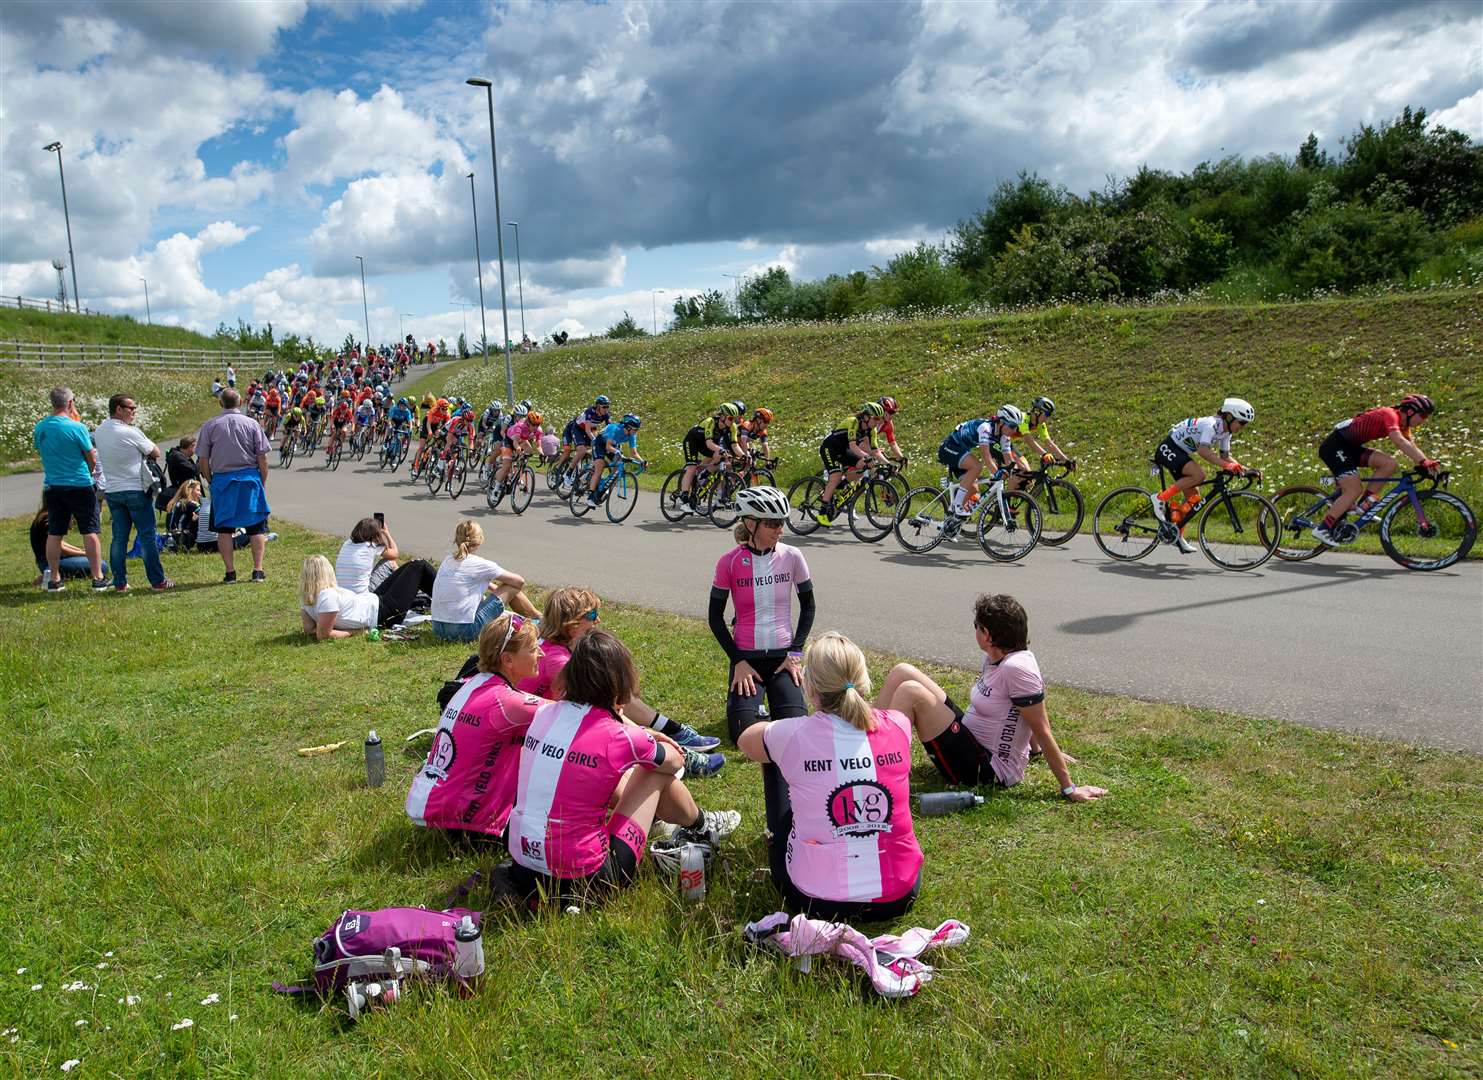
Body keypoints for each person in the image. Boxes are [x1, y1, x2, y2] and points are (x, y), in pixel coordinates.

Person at [506, 629, 740, 904]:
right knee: (652, 772)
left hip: (522, 870)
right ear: (618, 680)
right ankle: (702, 825)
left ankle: (691, 823)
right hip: (589, 879)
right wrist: (647, 737)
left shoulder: (544, 714)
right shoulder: (620, 735)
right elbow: (675, 761)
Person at [738, 632, 923, 921]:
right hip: (900, 894)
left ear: (810, 689)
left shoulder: (793, 734)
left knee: (771, 750)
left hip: (815, 899)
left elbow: (745, 741)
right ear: (863, 681)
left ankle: (782, 837)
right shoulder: (899, 724)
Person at [874, 594, 1107, 803]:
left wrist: (1069, 788)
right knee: (902, 671)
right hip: (971, 740)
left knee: (910, 691)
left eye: (977, 626)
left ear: (986, 634)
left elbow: (1039, 725)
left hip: (987, 770)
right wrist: (1035, 751)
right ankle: (866, 746)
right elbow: (1023, 714)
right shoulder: (995, 659)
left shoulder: (1017, 669)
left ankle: (884, 768)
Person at [710, 486, 815, 835]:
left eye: (782, 522)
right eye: (772, 522)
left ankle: (769, 714)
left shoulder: (793, 556)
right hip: (748, 661)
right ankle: (763, 714)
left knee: (799, 729)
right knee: (741, 734)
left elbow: (809, 607)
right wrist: (738, 661)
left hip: (783, 659)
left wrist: (796, 653)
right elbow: (715, 617)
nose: (779, 529)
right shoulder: (728, 562)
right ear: (751, 523)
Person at [523, 586, 724, 757]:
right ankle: (671, 747)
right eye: (592, 615)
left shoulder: (558, 647)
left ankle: (672, 734)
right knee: (610, 704)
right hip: (542, 732)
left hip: (549, 722)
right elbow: (597, 710)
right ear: (572, 625)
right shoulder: (558, 661)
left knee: (615, 696)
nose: (598, 620)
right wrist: (644, 734)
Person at [406, 613, 549, 841]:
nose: (541, 653)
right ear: (508, 660)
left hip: (437, 800)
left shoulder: (474, 683)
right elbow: (569, 718)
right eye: (532, 649)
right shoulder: (506, 701)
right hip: (470, 820)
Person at [1312, 393, 1441, 546]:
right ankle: (1323, 528)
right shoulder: (1390, 415)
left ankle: (1362, 506)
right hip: (1335, 447)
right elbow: (1399, 441)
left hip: (1350, 448)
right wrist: (1423, 461)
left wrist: (1427, 463)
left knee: (1389, 464)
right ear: (1411, 411)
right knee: (1353, 490)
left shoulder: (1403, 424)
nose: (1424, 420)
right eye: (1423, 415)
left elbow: (1411, 445)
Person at [1152, 398, 1259, 555]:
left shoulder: (1226, 432)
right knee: (1199, 475)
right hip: (1169, 448)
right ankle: (1160, 498)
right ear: (1229, 417)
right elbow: (1203, 451)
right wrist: (1227, 466)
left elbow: (1225, 456)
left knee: (1194, 499)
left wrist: (1245, 469)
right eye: (1242, 422)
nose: (1242, 427)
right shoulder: (1211, 425)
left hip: (1181, 453)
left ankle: (1177, 535)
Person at [94, 393, 173, 592]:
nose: (134, 412)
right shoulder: (130, 431)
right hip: (135, 488)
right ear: (118, 409)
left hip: (112, 490)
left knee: (119, 538)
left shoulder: (100, 430)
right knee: (147, 535)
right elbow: (155, 452)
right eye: (131, 408)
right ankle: (157, 580)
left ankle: (120, 581)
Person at [33, 386, 105, 591]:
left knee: (55, 532)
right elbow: (91, 457)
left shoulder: (41, 427)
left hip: (53, 484)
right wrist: (89, 472)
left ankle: (55, 578)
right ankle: (97, 577)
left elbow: (40, 450)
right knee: (90, 530)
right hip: (79, 483)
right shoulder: (76, 427)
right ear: (70, 403)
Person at [197, 389, 272, 583]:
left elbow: (203, 459)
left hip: (223, 480)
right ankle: (258, 570)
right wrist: (262, 480)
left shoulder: (210, 425)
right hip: (249, 479)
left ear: (220, 404)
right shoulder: (252, 424)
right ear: (240, 403)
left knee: (224, 529)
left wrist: (210, 479)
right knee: (256, 528)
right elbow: (262, 457)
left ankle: (230, 572)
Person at [430, 521, 539, 642]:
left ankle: (536, 617)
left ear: (456, 539)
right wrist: (499, 588)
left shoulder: (448, 560)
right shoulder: (481, 564)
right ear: (480, 540)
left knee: (502, 591)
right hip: (464, 631)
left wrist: (492, 586)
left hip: (438, 628)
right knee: (511, 587)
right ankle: (538, 618)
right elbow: (519, 582)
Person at [298, 553, 439, 641]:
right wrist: (355, 632)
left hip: (374, 600)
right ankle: (451, 599)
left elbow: (310, 629)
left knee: (413, 564)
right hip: (382, 612)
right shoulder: (327, 597)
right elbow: (323, 635)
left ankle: (447, 597)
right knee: (419, 566)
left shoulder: (307, 600)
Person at [936, 406, 1027, 538]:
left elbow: (1009, 460)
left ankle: (949, 522)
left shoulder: (1004, 437)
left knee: (973, 489)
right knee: (977, 466)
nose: (1014, 430)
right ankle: (957, 505)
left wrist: (1016, 474)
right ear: (1001, 422)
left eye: (1016, 427)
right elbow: (986, 455)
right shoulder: (986, 428)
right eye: (1012, 426)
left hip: (961, 452)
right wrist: (996, 473)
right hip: (949, 448)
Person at [816, 401, 888, 525]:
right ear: (866, 417)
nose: (878, 422)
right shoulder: (853, 422)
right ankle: (822, 512)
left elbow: (875, 451)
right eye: (875, 419)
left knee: (863, 465)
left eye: (880, 419)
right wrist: (867, 456)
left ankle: (842, 484)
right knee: (835, 475)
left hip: (843, 450)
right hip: (830, 447)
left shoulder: (872, 430)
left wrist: (888, 464)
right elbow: (853, 446)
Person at [678, 402, 740, 512]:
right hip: (693, 441)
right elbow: (709, 444)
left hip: (706, 443)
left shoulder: (732, 427)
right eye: (730, 418)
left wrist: (744, 456)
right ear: (722, 416)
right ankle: (684, 498)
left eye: (735, 419)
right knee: (692, 467)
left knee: (720, 457)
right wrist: (721, 449)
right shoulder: (710, 422)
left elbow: (735, 445)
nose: (733, 421)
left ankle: (703, 475)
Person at [29, 503, 108, 586]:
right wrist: (84, 553)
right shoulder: (49, 518)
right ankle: (52, 574)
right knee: (102, 565)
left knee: (92, 560)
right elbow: (61, 548)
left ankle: (59, 574)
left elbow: (59, 543)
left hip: (46, 561)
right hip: (51, 562)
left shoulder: (45, 515)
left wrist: (79, 550)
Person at [335, 516, 413, 594]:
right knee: (390, 562)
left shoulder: (347, 543)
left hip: (341, 591)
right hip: (362, 594)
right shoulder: (371, 545)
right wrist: (386, 533)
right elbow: (395, 554)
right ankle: (408, 589)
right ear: (375, 534)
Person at [585, 413, 644, 506]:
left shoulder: (632, 435)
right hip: (600, 444)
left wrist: (642, 461)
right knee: (599, 469)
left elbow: (634, 453)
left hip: (613, 445)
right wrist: (617, 452)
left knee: (617, 467)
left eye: (637, 430)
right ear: (628, 427)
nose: (636, 432)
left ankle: (604, 485)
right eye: (635, 429)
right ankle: (590, 496)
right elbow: (608, 447)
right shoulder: (614, 429)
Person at [165, 480, 202, 550]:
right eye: (198, 490)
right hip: (182, 539)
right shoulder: (191, 504)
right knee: (202, 518)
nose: (200, 493)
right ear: (190, 490)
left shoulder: (174, 502)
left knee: (194, 518)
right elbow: (206, 514)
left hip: (169, 538)